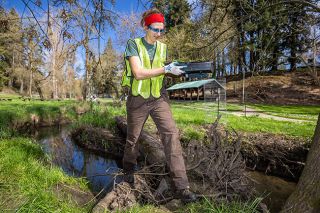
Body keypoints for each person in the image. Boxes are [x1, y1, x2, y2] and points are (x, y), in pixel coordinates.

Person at [121, 8, 197, 203]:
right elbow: (138, 73)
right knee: (133, 139)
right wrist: (165, 69)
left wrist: (175, 71)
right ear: (146, 27)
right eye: (155, 29)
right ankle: (128, 172)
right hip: (137, 99)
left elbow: (162, 72)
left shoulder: (163, 48)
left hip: (158, 98)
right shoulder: (133, 44)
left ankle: (182, 188)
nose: (159, 33)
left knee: (171, 135)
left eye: (161, 30)